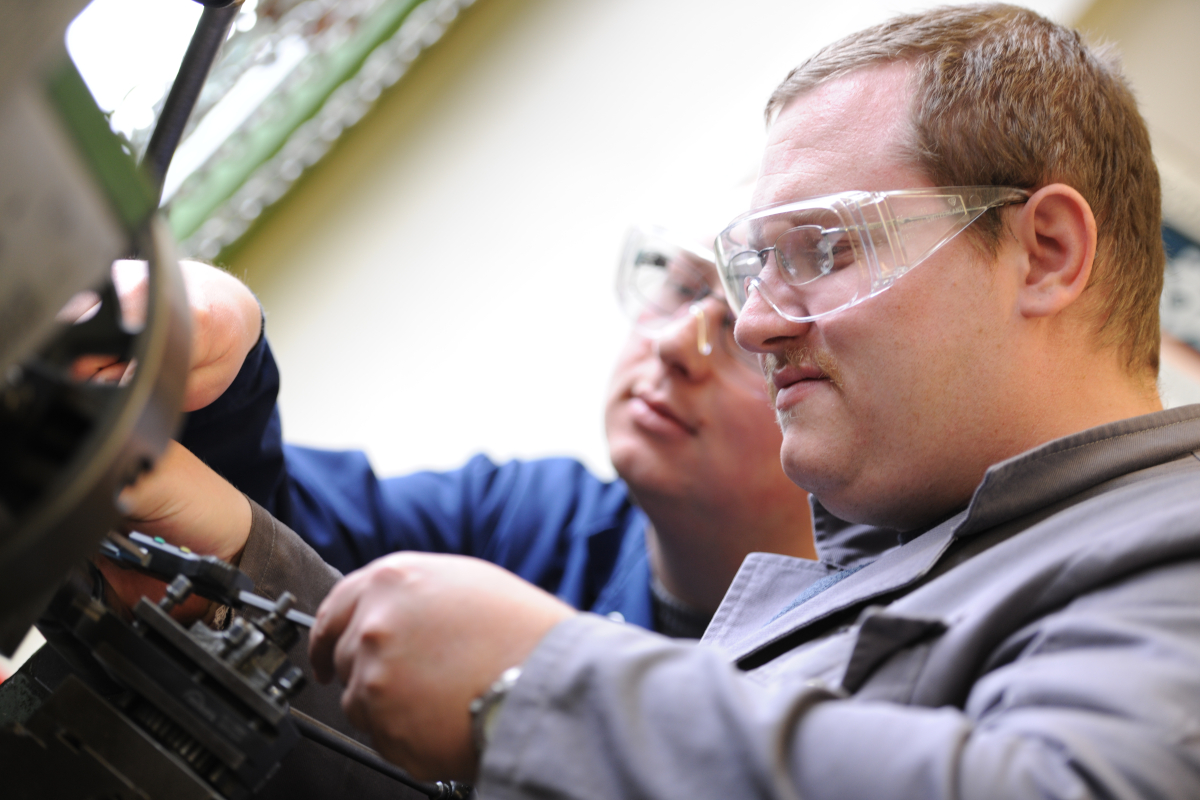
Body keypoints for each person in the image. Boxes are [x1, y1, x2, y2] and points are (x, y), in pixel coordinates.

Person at [290, 4, 1200, 798]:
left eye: (826, 251)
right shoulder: (921, 547)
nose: (753, 327)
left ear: (1044, 251)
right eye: (757, 268)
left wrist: (546, 689)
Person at [157, 224, 815, 638]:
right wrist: (225, 368)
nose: (675, 343)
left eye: (742, 334)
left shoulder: (856, 699)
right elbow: (292, 532)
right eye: (680, 287)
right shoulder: (534, 520)